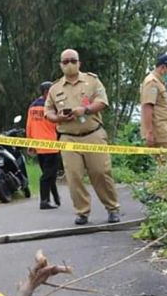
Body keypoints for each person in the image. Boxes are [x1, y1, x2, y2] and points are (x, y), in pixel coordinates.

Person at [44, 49, 120, 225]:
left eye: (73, 60)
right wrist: (58, 118)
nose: (69, 64)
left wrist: (84, 110)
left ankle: (112, 207)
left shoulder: (92, 81)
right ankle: (82, 212)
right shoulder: (55, 88)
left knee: (101, 172)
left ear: (79, 63)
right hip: (68, 137)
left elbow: (103, 101)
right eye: (65, 62)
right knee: (74, 176)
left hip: (93, 134)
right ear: (60, 65)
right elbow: (47, 111)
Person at [26, 81, 61, 209]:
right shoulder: (51, 108)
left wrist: (30, 144)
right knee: (48, 175)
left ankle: (56, 198)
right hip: (51, 146)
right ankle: (44, 201)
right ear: (47, 92)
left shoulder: (33, 106)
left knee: (49, 174)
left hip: (38, 146)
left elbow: (29, 126)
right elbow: (57, 125)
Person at [140, 54, 167, 164]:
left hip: (165, 131)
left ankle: (162, 182)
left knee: (164, 167)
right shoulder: (152, 82)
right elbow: (147, 107)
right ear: (163, 68)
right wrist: (149, 132)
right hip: (160, 133)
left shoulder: (159, 83)